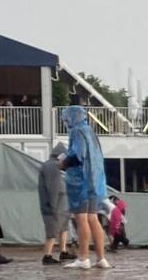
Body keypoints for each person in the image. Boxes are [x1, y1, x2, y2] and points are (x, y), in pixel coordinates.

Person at [61, 105, 110, 269]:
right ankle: (101, 258)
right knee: (93, 218)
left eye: (66, 118)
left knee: (81, 219)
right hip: (95, 182)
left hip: (80, 182)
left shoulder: (77, 132)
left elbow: (78, 156)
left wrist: (63, 163)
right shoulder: (90, 131)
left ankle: (83, 257)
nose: (65, 121)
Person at [38, 142, 72, 264]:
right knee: (52, 231)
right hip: (55, 206)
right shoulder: (53, 167)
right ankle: (47, 255)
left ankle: (63, 251)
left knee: (63, 228)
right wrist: (52, 206)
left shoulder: (50, 165)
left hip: (59, 205)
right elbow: (53, 188)